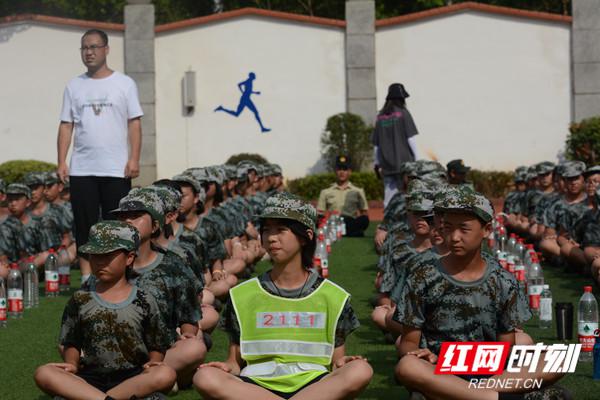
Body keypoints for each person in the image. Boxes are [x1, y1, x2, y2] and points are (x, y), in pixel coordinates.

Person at [193, 192, 372, 399]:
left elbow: (336, 362)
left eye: (281, 229)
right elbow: (235, 363)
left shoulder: (333, 296)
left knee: (361, 369)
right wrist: (226, 367)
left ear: (306, 236)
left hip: (313, 385)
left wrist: (343, 364)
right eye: (266, 229)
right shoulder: (242, 295)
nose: (271, 237)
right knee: (204, 376)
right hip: (255, 386)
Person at [393, 186, 567, 400]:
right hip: (440, 364)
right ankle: (500, 397)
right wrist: (419, 353)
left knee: (558, 358)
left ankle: (468, 394)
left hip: (488, 367)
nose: (454, 237)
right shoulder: (422, 277)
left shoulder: (503, 280)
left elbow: (506, 347)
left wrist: (486, 364)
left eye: (464, 229)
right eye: (448, 227)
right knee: (407, 366)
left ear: (486, 229)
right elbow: (409, 342)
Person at [34, 220, 176, 400]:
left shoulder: (145, 299)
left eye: (108, 256)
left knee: (166, 374)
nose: (100, 262)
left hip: (132, 378)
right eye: (95, 256)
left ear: (129, 258)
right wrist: (71, 364)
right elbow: (71, 340)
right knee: (43, 373)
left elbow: (157, 343)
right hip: (90, 377)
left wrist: (155, 362)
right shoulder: (80, 298)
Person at [57, 28, 143, 284]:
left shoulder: (125, 84)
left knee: (117, 225)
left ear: (106, 49)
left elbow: (134, 124)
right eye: (84, 48)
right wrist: (62, 160)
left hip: (116, 168)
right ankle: (86, 278)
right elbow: (66, 125)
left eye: (94, 47)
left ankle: (119, 278)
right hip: (82, 168)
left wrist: (134, 158)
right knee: (84, 226)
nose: (89, 52)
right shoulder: (74, 86)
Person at [372, 83, 419, 207]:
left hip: (386, 163)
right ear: (401, 98)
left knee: (389, 195)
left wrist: (376, 163)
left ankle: (388, 221)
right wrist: (417, 160)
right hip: (404, 163)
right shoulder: (404, 113)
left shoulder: (380, 117)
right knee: (408, 194)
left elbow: (376, 145)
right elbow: (411, 139)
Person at [317, 155, 370, 237]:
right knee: (317, 220)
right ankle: (350, 233)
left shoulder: (358, 191)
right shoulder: (325, 192)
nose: (342, 172)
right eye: (339, 169)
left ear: (350, 171)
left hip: (350, 222)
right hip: (333, 223)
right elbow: (320, 214)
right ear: (335, 171)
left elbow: (364, 213)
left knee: (364, 220)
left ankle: (342, 232)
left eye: (345, 169)